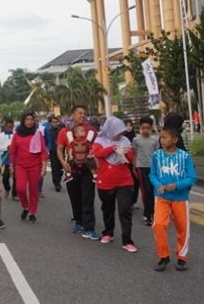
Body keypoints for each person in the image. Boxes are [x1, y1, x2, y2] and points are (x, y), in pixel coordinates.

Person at [150, 127, 197, 271]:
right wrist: (158, 185)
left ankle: (182, 257)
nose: (162, 140)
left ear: (175, 139)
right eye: (161, 137)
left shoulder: (184, 156)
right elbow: (152, 175)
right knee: (158, 225)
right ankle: (163, 256)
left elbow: (191, 178)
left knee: (183, 228)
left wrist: (176, 185)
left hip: (180, 198)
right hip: (161, 197)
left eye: (165, 137)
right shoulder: (156, 155)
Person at [93, 117, 137, 252]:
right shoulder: (100, 140)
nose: (120, 135)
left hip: (124, 180)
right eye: (117, 132)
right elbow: (97, 153)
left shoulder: (125, 140)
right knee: (107, 208)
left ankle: (127, 240)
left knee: (125, 210)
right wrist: (112, 148)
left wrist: (127, 152)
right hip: (105, 180)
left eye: (122, 131)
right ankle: (108, 232)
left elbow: (131, 159)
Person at [57, 106, 98, 239]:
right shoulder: (65, 131)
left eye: (84, 113)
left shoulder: (91, 130)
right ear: (73, 115)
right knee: (75, 197)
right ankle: (78, 221)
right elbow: (59, 148)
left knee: (88, 197)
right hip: (72, 169)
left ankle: (89, 227)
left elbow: (97, 146)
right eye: (79, 113)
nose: (82, 115)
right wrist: (63, 162)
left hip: (87, 169)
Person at [9, 111, 48, 224]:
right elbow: (12, 152)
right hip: (21, 166)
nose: (30, 122)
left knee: (33, 190)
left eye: (32, 119)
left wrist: (44, 166)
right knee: (20, 188)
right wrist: (11, 166)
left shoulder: (37, 133)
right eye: (27, 119)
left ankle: (32, 212)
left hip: (35, 166)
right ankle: (25, 207)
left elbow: (43, 151)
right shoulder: (17, 134)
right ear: (23, 121)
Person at [132, 116, 159, 226]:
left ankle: (153, 213)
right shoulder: (136, 140)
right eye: (143, 128)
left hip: (152, 168)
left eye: (148, 128)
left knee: (153, 191)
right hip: (141, 168)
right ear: (140, 128)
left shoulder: (155, 140)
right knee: (146, 191)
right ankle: (147, 215)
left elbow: (157, 155)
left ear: (151, 128)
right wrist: (134, 167)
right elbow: (135, 154)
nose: (145, 130)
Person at [0, 118, 17, 200]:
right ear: (5, 127)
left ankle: (14, 194)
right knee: (5, 177)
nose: (10, 129)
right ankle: (7, 188)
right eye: (8, 127)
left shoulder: (16, 135)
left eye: (11, 127)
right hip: (5, 159)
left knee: (16, 177)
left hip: (16, 158)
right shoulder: (0, 136)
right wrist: (6, 148)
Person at [46, 115, 64, 191]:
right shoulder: (48, 131)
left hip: (61, 152)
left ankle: (58, 179)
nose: (55, 123)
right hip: (52, 152)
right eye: (53, 122)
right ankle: (57, 184)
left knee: (61, 168)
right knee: (55, 168)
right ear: (50, 123)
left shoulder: (61, 130)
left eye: (56, 122)